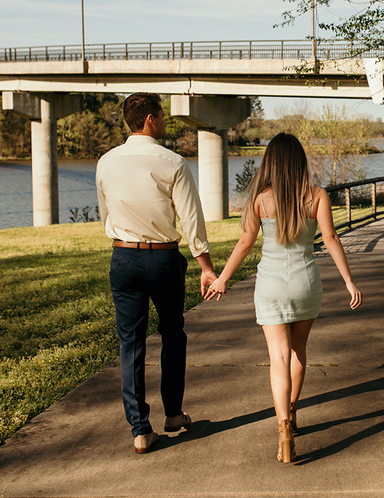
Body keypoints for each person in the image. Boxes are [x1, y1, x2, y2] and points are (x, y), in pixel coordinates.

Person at [205, 132, 361, 463]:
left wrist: (222, 278)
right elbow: (330, 237)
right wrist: (348, 281)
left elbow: (246, 242)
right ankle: (292, 412)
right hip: (305, 283)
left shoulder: (260, 199)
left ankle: (283, 426)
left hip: (271, 286)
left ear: (271, 162)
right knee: (298, 351)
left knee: (278, 358)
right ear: (299, 160)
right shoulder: (316, 195)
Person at [95, 92, 218, 454]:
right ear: (150, 119)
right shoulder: (173, 162)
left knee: (130, 343)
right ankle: (174, 414)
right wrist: (206, 266)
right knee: (172, 334)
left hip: (123, 258)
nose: (165, 122)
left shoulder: (105, 162)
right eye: (163, 116)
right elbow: (191, 219)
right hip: (163, 260)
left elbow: (106, 212)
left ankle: (139, 428)